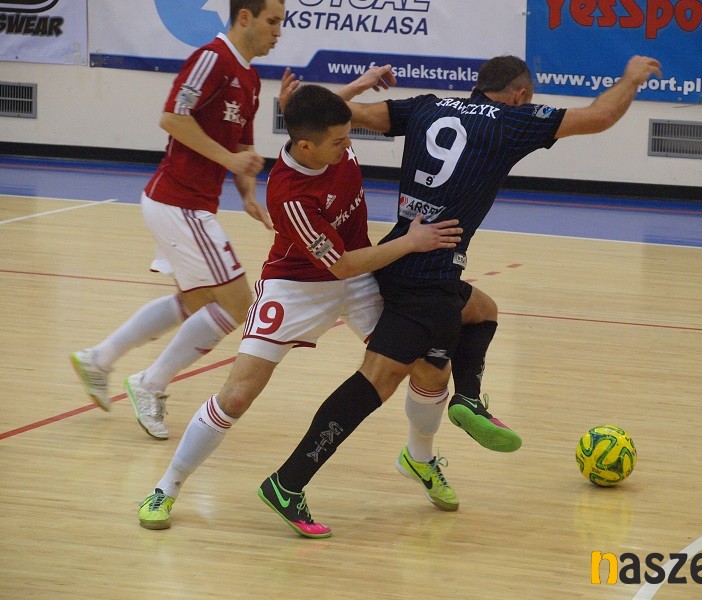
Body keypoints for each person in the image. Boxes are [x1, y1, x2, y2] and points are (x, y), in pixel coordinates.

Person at [257, 54, 663, 537]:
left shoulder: (428, 106)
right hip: (426, 274)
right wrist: (630, 78)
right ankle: (289, 481)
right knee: (377, 381)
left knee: (479, 314)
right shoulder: (511, 123)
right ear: (519, 95)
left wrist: (304, 104)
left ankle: (463, 404)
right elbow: (600, 116)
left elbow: (351, 115)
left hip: (407, 260)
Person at [136, 81, 463, 535]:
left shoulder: (326, 139)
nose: (348, 148)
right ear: (306, 146)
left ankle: (419, 458)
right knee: (237, 395)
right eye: (339, 142)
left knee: (428, 368)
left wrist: (357, 84)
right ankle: (166, 487)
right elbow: (341, 264)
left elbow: (323, 110)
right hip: (297, 286)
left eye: (347, 138)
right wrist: (411, 243)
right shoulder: (289, 195)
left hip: (359, 280)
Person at [69, 0, 296, 440]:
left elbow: (241, 146)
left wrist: (247, 192)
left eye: (281, 23)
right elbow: (172, 118)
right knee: (238, 304)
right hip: (178, 203)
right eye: (272, 21)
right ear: (244, 17)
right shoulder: (211, 58)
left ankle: (98, 359)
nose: (278, 32)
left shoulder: (250, 78)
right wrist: (229, 159)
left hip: (189, 206)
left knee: (196, 303)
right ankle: (150, 382)